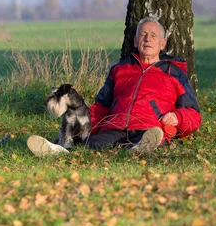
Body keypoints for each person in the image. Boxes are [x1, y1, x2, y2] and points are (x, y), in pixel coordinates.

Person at [27, 17, 201, 156]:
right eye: (143, 35)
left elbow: (193, 113)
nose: (148, 39)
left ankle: (141, 149)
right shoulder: (120, 69)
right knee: (88, 147)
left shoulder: (175, 73)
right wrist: (79, 128)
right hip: (115, 127)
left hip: (149, 127)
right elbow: (101, 107)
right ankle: (58, 149)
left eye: (153, 36)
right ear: (135, 41)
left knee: (148, 139)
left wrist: (178, 117)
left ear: (162, 44)